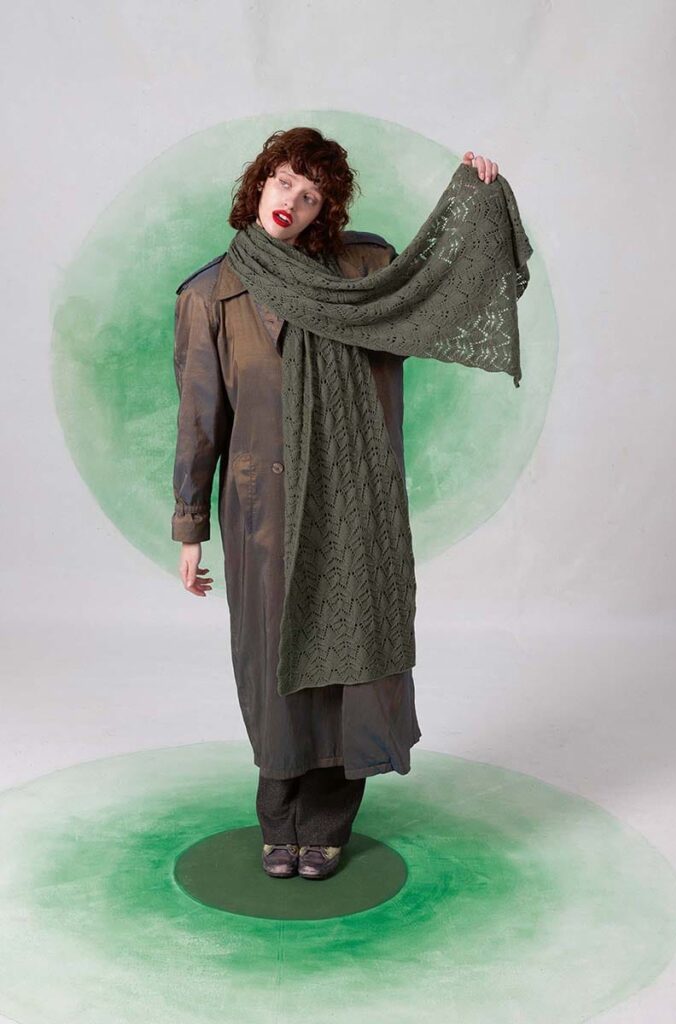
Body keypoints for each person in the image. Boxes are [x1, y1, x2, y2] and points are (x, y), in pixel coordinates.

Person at [171, 127, 500, 881]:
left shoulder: (361, 273)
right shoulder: (209, 294)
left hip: (352, 501)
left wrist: (474, 200)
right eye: (284, 180)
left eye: (312, 195)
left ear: (327, 212)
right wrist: (190, 527)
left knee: (349, 662)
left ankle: (326, 821)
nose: (292, 199)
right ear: (260, 182)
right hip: (262, 515)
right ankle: (278, 819)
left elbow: (439, 295)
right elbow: (200, 420)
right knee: (275, 665)